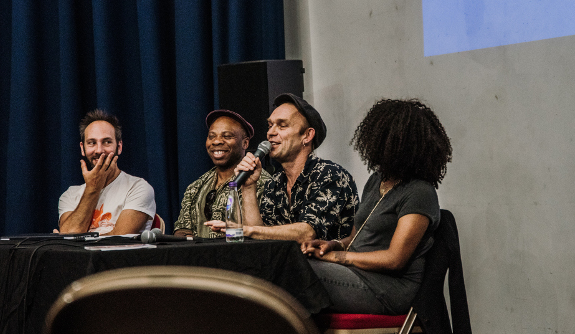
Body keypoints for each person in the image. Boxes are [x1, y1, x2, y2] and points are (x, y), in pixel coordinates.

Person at [301, 99, 453, 315]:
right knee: (293, 262)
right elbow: (356, 239)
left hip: (386, 289)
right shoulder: (376, 181)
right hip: (354, 273)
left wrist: (338, 258)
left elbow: (394, 260)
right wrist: (333, 245)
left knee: (295, 270)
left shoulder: (420, 192)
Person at [207, 93, 359, 243]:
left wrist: (244, 230)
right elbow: (262, 237)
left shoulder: (330, 175)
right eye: (270, 125)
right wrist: (248, 187)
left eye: (282, 126)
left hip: (331, 258)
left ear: (307, 135)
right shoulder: (275, 183)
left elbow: (307, 233)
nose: (270, 133)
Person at [173, 110, 270, 238]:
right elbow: (182, 230)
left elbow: (263, 236)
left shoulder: (263, 183)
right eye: (211, 136)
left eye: (227, 136)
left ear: (245, 143)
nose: (216, 141)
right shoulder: (195, 187)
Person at [58, 109, 156, 235]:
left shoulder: (138, 188)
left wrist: (76, 239)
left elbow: (119, 239)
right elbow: (68, 237)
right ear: (82, 148)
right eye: (92, 143)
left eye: (107, 142)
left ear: (119, 147)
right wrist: (92, 188)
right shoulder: (70, 195)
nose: (99, 150)